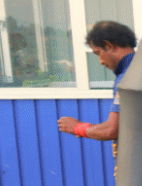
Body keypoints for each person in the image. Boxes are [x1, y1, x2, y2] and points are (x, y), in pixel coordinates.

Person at [57, 21, 136, 176]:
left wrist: (77, 128)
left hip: (137, 174)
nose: (100, 61)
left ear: (109, 45)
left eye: (98, 53)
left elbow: (112, 129)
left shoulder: (128, 76)